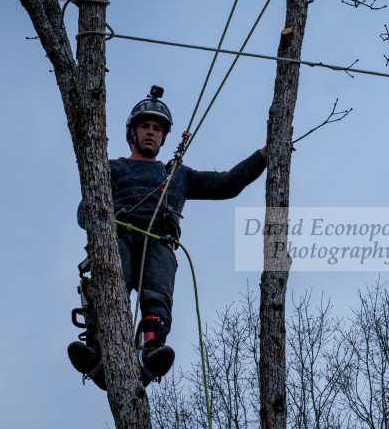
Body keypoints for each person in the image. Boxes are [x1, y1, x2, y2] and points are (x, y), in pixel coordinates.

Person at [68, 86, 267, 390]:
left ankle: (152, 348)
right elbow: (85, 211)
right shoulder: (110, 169)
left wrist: (264, 155)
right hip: (116, 237)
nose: (151, 132)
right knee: (111, 284)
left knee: (157, 291)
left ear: (163, 137)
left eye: (157, 129)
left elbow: (228, 183)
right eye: (145, 126)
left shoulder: (177, 175)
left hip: (158, 239)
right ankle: (97, 344)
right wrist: (100, 223)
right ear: (131, 133)